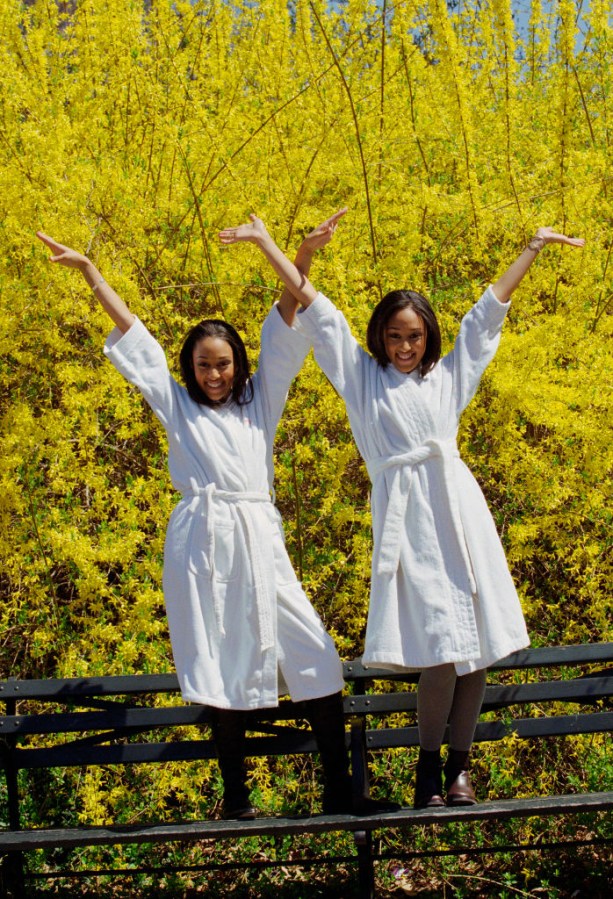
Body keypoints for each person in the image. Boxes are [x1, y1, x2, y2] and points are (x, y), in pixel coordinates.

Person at [218, 214, 585, 808]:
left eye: (414, 336)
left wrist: (533, 247)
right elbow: (316, 309)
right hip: (409, 521)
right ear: (380, 338)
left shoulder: (447, 377)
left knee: (478, 649)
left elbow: (487, 313)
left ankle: (459, 772)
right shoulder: (363, 379)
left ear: (427, 336)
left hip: (461, 514)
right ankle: (427, 765)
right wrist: (271, 247)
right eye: (395, 336)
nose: (406, 346)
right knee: (442, 647)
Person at [36, 212, 377, 820]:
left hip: (258, 537)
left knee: (318, 654)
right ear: (189, 370)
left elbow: (285, 318)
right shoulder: (176, 406)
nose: (214, 374)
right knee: (218, 659)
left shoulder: (259, 401)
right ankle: (238, 796)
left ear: (237, 365)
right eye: (202, 365)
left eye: (222, 364)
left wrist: (298, 252)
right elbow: (134, 335)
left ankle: (338, 789)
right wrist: (90, 273)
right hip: (204, 544)